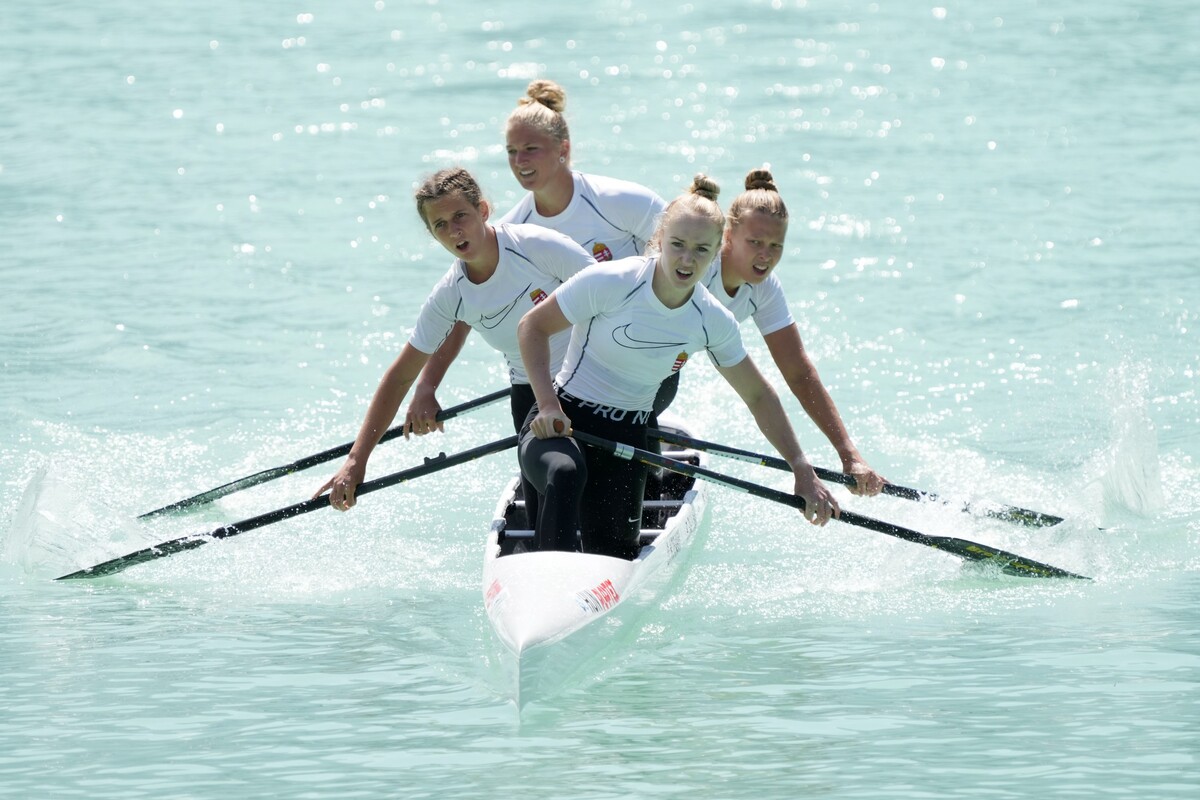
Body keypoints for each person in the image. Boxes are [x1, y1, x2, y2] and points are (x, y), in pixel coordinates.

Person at [516, 175, 840, 560]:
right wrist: (548, 404)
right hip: (562, 422)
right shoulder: (612, 281)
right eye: (678, 246)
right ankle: (548, 577)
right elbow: (531, 327)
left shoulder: (711, 320)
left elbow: (757, 394)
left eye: (701, 250)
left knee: (614, 555)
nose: (687, 260)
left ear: (718, 248)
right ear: (660, 240)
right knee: (566, 475)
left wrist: (801, 468)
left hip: (627, 438)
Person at [315, 167, 595, 510]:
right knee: (554, 497)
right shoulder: (450, 295)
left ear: (483, 211)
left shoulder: (537, 246)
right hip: (531, 396)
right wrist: (356, 461)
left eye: (460, 215)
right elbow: (401, 374)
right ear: (433, 235)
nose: (454, 231)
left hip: (594, 378)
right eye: (441, 225)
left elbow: (614, 295)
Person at [403, 78, 671, 433]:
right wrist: (427, 384)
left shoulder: (618, 201)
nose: (520, 161)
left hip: (639, 355)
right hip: (554, 375)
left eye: (530, 149)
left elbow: (680, 255)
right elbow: (464, 311)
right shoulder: (512, 230)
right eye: (511, 151)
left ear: (564, 149)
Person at [703, 168, 886, 496]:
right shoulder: (700, 267)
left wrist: (849, 456)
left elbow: (799, 373)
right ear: (728, 235)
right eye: (755, 242)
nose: (766, 255)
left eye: (776, 245)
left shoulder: (765, 289)